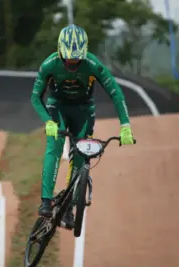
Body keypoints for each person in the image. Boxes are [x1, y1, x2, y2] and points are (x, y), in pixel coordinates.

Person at [31, 24, 135, 229]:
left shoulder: (92, 64)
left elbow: (115, 92)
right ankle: (45, 201)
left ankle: (68, 208)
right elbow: (35, 97)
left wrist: (125, 125)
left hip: (83, 109)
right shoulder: (49, 65)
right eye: (68, 59)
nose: (72, 63)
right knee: (54, 146)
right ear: (60, 50)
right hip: (57, 107)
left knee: (80, 153)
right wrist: (48, 121)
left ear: (84, 52)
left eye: (76, 59)